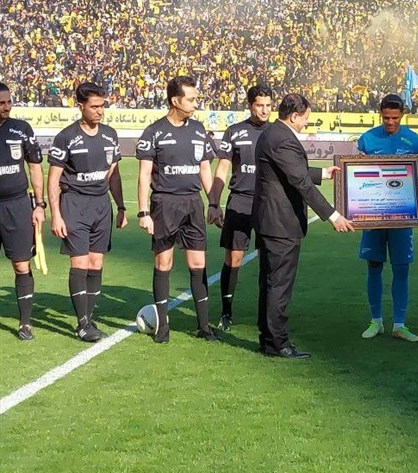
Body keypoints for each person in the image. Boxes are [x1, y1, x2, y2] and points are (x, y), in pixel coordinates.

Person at [252, 93, 354, 359]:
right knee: (279, 285)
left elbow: (289, 172)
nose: (306, 124)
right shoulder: (282, 138)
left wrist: (322, 173)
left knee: (270, 283)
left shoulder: (273, 134)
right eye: (305, 118)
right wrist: (333, 216)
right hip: (280, 224)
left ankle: (268, 338)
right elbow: (299, 181)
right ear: (294, 115)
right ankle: (278, 344)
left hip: (272, 221)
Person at [136, 75, 217, 344]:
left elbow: (205, 168)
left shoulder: (198, 130)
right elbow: (144, 174)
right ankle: (162, 328)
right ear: (175, 100)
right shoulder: (154, 132)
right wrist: (144, 212)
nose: (196, 103)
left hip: (193, 203)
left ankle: (204, 326)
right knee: (164, 263)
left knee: (198, 264)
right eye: (191, 99)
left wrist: (214, 202)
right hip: (164, 204)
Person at [48, 83, 127, 342]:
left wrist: (122, 206)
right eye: (94, 106)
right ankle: (82, 324)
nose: (99, 111)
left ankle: (89, 319)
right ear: (79, 106)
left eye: (102, 105)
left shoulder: (110, 135)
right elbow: (54, 179)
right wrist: (56, 214)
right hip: (74, 204)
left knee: (96, 263)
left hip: (101, 205)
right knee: (80, 263)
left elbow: (113, 176)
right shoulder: (66, 137)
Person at [357, 94, 418, 342]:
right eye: (386, 117)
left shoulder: (414, 141)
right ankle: (375, 321)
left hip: (402, 215)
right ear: (380, 113)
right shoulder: (367, 139)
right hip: (374, 215)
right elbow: (355, 174)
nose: (390, 122)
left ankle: (399, 324)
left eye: (395, 118)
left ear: (402, 115)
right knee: (374, 265)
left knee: (401, 267)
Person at [207, 84, 273, 331]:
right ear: (250, 105)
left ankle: (266, 315)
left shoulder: (277, 132)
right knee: (234, 258)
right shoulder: (235, 132)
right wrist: (214, 203)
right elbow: (222, 168)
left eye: (268, 105)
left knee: (269, 260)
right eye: (259, 105)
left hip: (268, 202)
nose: (264, 110)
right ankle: (226, 312)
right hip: (240, 200)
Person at [0, 82, 45, 341]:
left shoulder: (21, 130)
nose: (6, 107)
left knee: (21, 264)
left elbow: (35, 166)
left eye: (8, 102)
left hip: (16, 205)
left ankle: (25, 323)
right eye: (1, 103)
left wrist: (39, 205)